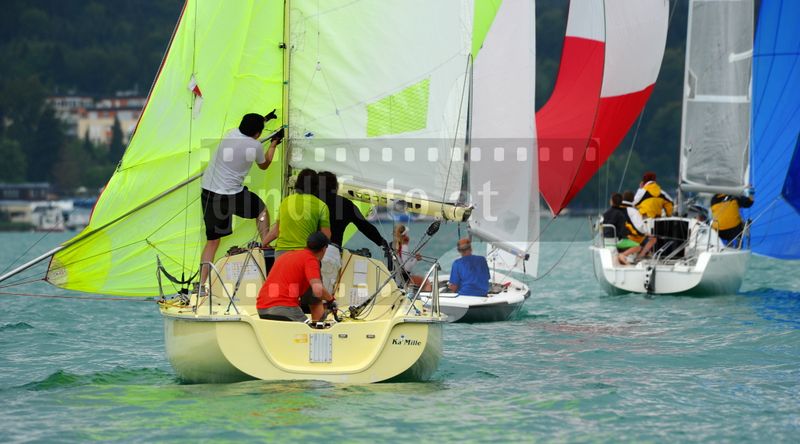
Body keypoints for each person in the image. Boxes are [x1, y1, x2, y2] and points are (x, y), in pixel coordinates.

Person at [199, 112, 282, 288]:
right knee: (261, 210)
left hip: (209, 192)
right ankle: (265, 243)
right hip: (231, 195)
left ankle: (201, 284)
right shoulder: (255, 146)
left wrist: (265, 119)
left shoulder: (231, 133)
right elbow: (264, 165)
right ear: (258, 133)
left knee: (212, 241)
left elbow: (249, 128)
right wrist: (274, 143)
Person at [314, 171, 389, 293]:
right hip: (331, 254)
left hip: (306, 253)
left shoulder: (310, 203)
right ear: (335, 187)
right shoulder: (345, 204)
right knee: (323, 295)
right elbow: (364, 226)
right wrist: (382, 242)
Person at [256, 231, 335, 322]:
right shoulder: (311, 260)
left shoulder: (286, 255)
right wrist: (331, 300)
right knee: (309, 330)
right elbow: (317, 290)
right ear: (324, 249)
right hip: (284, 308)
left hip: (262, 308)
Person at [263, 169, 331, 259]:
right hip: (305, 254)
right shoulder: (321, 206)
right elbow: (326, 235)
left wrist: (263, 243)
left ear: (298, 183)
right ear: (316, 186)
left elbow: (276, 231)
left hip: (282, 254)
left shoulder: (286, 201)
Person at [618, 190, 657, 264]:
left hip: (618, 237)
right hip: (630, 238)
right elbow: (640, 227)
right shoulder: (633, 211)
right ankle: (640, 256)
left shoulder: (617, 209)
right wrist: (646, 233)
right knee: (653, 238)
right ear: (633, 199)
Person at [392, 224, 429, 289]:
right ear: (405, 235)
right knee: (427, 283)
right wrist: (416, 259)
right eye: (407, 234)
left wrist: (414, 258)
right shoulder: (404, 247)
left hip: (399, 277)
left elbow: (403, 261)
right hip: (405, 278)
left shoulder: (397, 246)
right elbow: (407, 267)